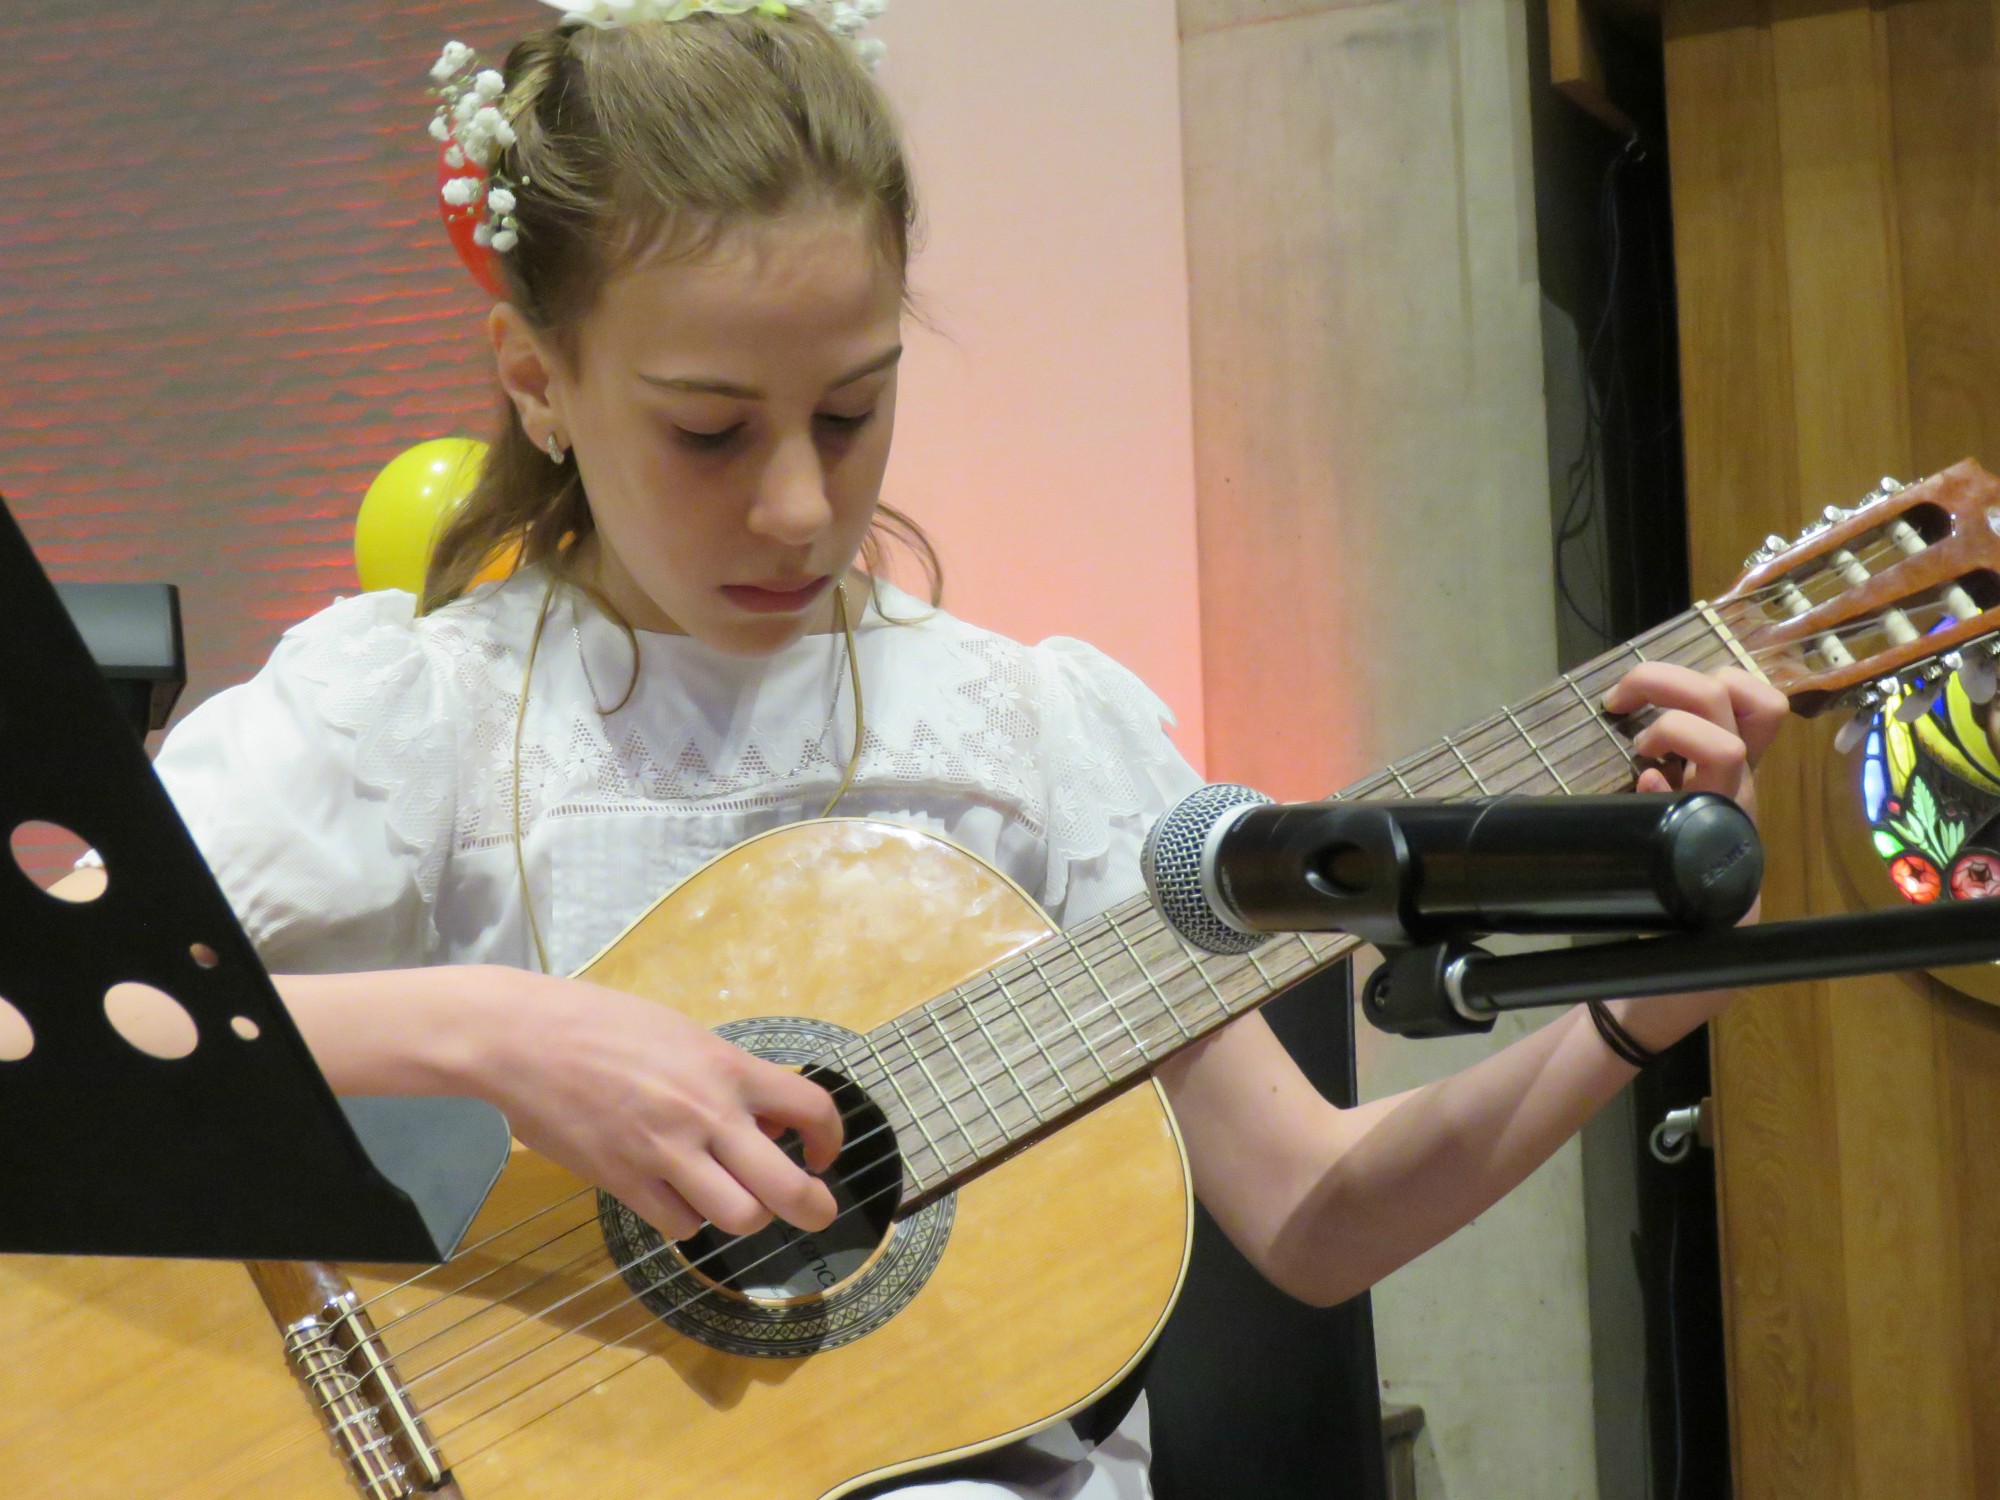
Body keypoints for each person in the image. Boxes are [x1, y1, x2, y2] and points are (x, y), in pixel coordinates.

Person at [59, 3, 1789, 1494]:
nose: (800, 503)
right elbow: (33, 1037)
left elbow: (1316, 1219)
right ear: (534, 376)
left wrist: (1637, 1005)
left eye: (853, 407)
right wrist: (495, 1031)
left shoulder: (1026, 737)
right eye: (709, 430)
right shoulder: (408, 714)